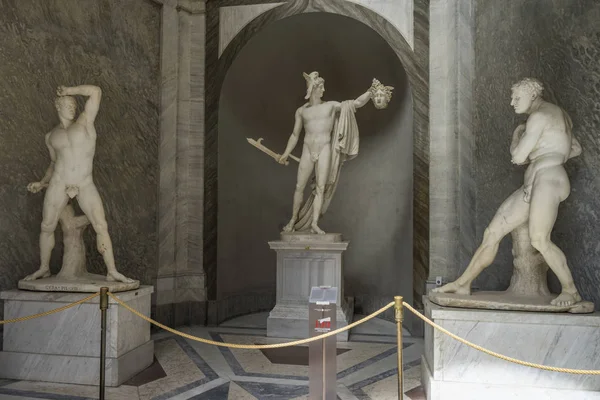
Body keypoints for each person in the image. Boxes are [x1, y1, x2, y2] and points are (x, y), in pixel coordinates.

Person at [434, 78, 582, 307]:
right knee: (493, 232)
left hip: (549, 180)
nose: (512, 103)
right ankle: (463, 283)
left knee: (539, 239)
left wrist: (517, 139)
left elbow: (518, 157)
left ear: (532, 95)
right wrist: (550, 156)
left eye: (516, 98)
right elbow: (575, 148)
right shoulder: (559, 115)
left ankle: (570, 290)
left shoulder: (539, 117)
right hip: (537, 182)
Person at [25, 85, 134, 283]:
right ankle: (44, 268)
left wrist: (69, 90)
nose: (72, 107)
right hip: (59, 182)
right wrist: (42, 183)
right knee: (47, 225)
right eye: (67, 104)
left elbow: (96, 92)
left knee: (101, 225)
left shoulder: (85, 122)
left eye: (74, 104)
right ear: (58, 107)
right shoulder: (50, 137)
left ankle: (112, 270)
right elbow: (53, 163)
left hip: (84, 183)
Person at [278, 72, 392, 234]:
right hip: (307, 149)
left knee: (320, 187)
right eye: (321, 87)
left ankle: (314, 224)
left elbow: (355, 104)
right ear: (313, 89)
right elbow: (295, 135)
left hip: (324, 148)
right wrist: (285, 153)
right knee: (299, 186)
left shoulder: (331, 106)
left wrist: (370, 91)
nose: (324, 90)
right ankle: (292, 221)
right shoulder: (301, 111)